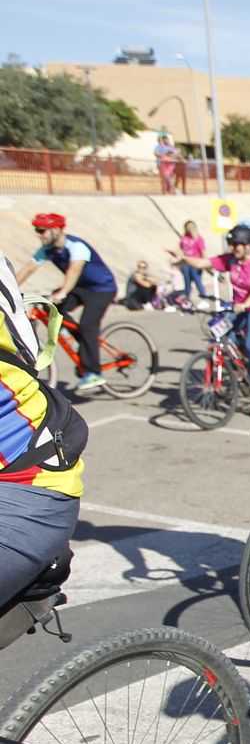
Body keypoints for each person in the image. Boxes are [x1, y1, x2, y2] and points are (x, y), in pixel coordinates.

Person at [0, 255, 88, 610]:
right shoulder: (51, 246)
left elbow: (72, 276)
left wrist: (63, 291)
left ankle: (93, 367)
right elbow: (29, 265)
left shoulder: (75, 247)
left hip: (25, 491)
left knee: (91, 327)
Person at [14, 214, 119, 393]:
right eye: (36, 231)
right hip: (80, 288)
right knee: (50, 308)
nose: (39, 235)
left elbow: (73, 272)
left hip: (102, 289)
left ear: (56, 229)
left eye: (42, 231)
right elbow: (28, 270)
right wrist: (8, 290)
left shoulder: (77, 246)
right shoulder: (47, 249)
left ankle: (94, 372)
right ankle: (84, 346)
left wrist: (61, 293)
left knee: (88, 324)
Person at [176, 226, 250, 392]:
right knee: (219, 337)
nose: (233, 248)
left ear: (249, 245)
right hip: (238, 308)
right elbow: (202, 262)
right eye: (231, 244)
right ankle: (237, 371)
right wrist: (183, 258)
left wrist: (246, 304)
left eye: (237, 245)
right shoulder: (232, 261)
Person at [176, 220, 208, 308]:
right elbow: (181, 249)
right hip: (186, 262)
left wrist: (204, 264)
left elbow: (203, 252)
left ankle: (204, 298)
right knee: (187, 281)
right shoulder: (184, 238)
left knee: (197, 280)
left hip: (196, 262)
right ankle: (187, 299)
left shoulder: (198, 239)